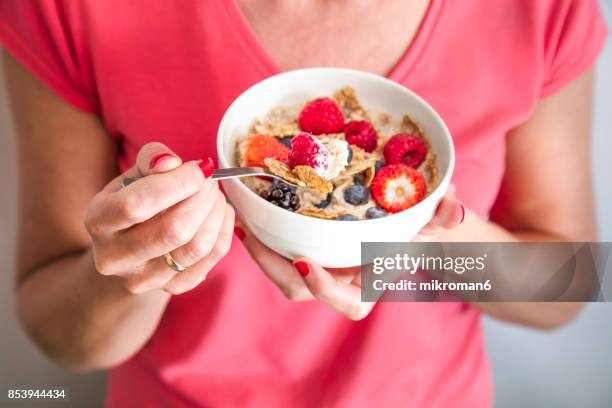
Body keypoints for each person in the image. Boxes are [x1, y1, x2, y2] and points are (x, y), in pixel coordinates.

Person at [0, 0, 607, 406]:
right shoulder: (69, 10)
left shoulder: (541, 11)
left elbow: (568, 288)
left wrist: (434, 238)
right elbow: (59, 336)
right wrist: (149, 256)